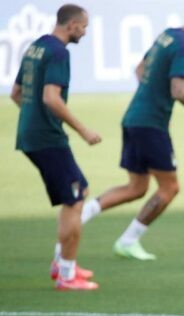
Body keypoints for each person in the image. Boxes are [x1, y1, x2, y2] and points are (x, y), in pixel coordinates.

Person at [79, 0, 184, 260]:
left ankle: (79, 215)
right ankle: (128, 240)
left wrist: (149, 95)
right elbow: (178, 91)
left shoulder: (168, 35)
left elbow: (140, 69)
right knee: (170, 187)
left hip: (133, 118)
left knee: (136, 187)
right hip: (150, 125)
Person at [11, 4, 101, 291]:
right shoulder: (59, 52)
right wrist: (83, 130)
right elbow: (51, 98)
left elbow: (17, 93)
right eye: (83, 27)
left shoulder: (36, 47)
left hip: (31, 134)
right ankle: (65, 274)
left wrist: (32, 118)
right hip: (47, 137)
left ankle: (64, 263)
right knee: (75, 199)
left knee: (77, 192)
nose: (84, 33)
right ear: (71, 24)